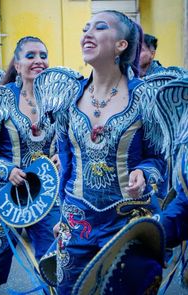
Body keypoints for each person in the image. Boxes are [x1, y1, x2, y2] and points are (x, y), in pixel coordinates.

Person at [52, 10, 166, 294]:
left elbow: (160, 158)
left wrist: (144, 171)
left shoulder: (146, 97)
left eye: (99, 28)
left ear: (121, 45)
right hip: (77, 221)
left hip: (128, 220)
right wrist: (61, 216)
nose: (87, 34)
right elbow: (65, 164)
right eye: (85, 28)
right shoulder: (68, 97)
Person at [0, 36, 60, 294]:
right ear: (17, 64)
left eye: (43, 55)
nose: (39, 61)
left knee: (54, 260)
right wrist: (6, 170)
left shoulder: (58, 100)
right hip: (1, 193)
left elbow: (70, 140)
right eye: (30, 56)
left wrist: (62, 156)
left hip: (46, 193)